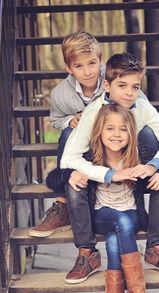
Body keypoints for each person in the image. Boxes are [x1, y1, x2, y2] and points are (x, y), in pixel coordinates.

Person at [58, 52, 159, 284]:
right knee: (73, 179)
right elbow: (69, 157)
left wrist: (154, 167)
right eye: (122, 86)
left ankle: (157, 247)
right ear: (106, 86)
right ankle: (87, 253)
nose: (129, 93)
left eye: (135, 87)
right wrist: (108, 174)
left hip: (134, 166)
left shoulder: (143, 108)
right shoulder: (94, 111)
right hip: (99, 167)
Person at [29, 31, 105, 237]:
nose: (88, 72)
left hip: (114, 138)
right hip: (83, 144)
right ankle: (63, 203)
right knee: (67, 133)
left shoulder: (114, 77)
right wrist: (69, 120)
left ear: (101, 60)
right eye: (79, 66)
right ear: (69, 68)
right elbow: (55, 120)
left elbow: (136, 103)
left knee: (148, 133)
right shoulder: (60, 94)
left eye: (92, 63)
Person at [90, 103, 154, 293]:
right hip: (101, 214)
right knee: (121, 225)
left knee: (117, 238)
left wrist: (154, 169)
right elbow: (57, 178)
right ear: (99, 130)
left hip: (131, 213)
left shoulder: (137, 156)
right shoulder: (90, 157)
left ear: (131, 133)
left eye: (123, 129)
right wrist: (75, 172)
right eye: (110, 129)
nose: (116, 135)